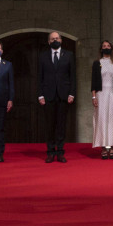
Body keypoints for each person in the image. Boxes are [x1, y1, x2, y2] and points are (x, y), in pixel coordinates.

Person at [38, 31, 75, 163]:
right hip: (48, 95)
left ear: (61, 40)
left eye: (57, 38)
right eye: (52, 39)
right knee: (49, 125)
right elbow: (40, 77)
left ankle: (60, 152)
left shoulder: (69, 55)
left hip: (63, 95)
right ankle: (50, 152)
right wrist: (40, 95)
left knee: (61, 125)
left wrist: (72, 93)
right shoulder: (43, 56)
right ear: (49, 42)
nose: (55, 40)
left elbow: (72, 76)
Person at [91, 40, 113, 159]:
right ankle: (104, 148)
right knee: (102, 120)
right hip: (101, 94)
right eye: (104, 46)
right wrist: (94, 96)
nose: (106, 47)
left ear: (112, 48)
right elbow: (94, 81)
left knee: (112, 120)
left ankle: (112, 147)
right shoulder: (97, 63)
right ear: (101, 49)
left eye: (108, 46)